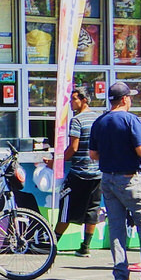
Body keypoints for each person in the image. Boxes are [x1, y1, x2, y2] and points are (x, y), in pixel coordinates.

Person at [89, 80, 141, 280]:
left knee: (116, 226)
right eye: (129, 97)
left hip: (107, 178)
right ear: (124, 99)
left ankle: (120, 273)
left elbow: (93, 154)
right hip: (130, 178)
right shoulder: (131, 120)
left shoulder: (100, 121)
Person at [55, 86, 103, 255]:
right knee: (93, 209)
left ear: (84, 100)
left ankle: (53, 243)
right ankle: (85, 247)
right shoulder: (98, 119)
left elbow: (73, 148)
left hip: (79, 172)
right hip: (97, 173)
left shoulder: (77, 120)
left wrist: (57, 162)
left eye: (74, 99)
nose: (71, 103)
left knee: (66, 207)